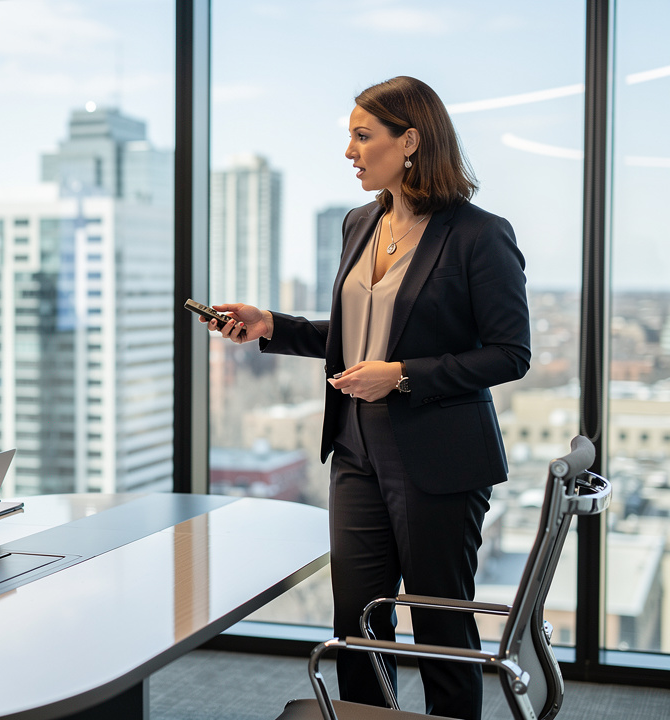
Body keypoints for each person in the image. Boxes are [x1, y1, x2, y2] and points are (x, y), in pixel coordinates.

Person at [207, 77, 529, 720]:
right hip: (355, 451)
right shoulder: (361, 222)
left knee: (440, 631)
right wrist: (272, 323)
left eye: (363, 136)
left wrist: (403, 374)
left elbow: (509, 355)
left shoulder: (477, 235)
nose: (350, 152)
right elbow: (355, 337)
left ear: (410, 141)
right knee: (355, 626)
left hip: (438, 460)